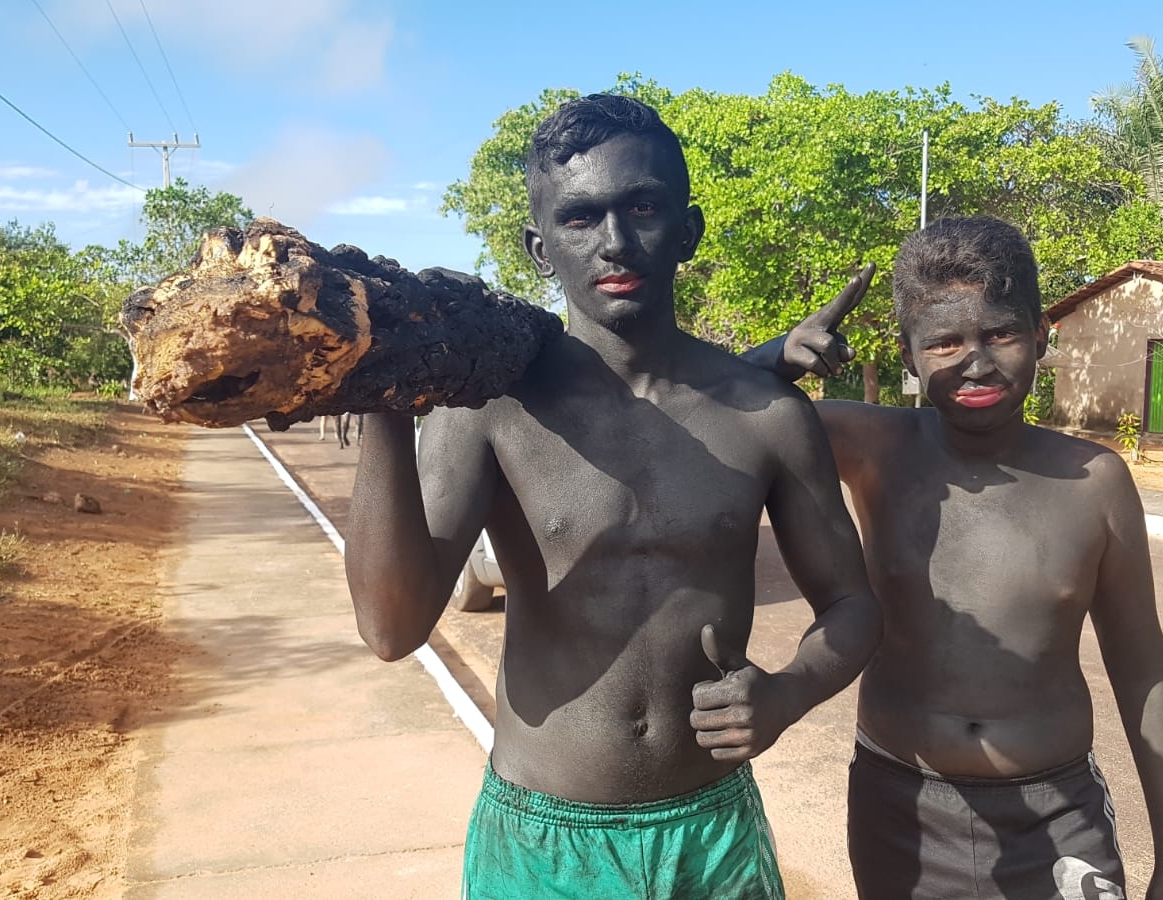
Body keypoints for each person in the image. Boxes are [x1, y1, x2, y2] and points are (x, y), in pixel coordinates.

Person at [344, 94, 883, 899]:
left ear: (689, 229)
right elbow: (392, 628)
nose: (616, 242)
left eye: (642, 207)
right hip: (540, 841)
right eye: (580, 218)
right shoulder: (491, 407)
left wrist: (788, 692)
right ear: (538, 246)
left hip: (712, 835)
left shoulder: (767, 413)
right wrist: (383, 390)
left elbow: (853, 605)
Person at [751, 216, 1163, 900]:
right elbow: (705, 412)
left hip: (1057, 818)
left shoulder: (1096, 480)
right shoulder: (872, 445)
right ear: (908, 354)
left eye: (1001, 334)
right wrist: (771, 359)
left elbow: (1142, 668)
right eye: (945, 341)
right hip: (901, 811)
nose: (976, 361)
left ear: (1040, 336)